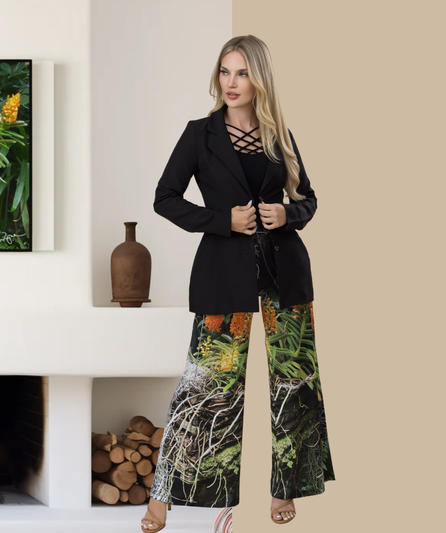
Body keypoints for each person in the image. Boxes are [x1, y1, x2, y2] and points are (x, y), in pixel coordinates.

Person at [140, 35, 335, 532]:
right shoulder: (199, 134)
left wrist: (285, 213)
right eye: (225, 72)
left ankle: (283, 489)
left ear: (259, 79)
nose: (231, 83)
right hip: (222, 275)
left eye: (242, 73)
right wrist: (222, 220)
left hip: (285, 274)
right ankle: (163, 494)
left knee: (293, 385)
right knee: (206, 388)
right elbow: (165, 198)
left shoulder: (280, 136)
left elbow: (309, 200)